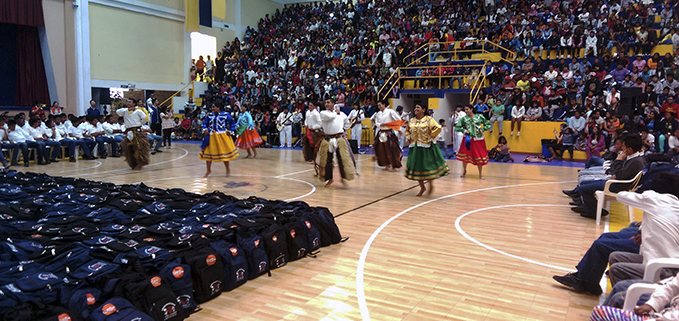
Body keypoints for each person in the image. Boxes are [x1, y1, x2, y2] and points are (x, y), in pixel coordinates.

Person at [568, 135, 646, 219]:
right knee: (583, 183)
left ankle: (592, 211)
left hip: (617, 185)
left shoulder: (635, 162)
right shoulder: (635, 158)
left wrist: (618, 161)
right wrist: (616, 173)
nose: (622, 148)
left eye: (623, 146)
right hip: (617, 182)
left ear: (630, 149)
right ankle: (592, 208)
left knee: (583, 188)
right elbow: (621, 173)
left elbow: (620, 175)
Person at [404, 104, 450, 196]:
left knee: (427, 166)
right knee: (417, 167)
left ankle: (430, 184)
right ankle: (422, 187)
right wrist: (408, 137)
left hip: (427, 147)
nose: (415, 109)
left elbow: (438, 128)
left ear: (423, 109)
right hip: (415, 147)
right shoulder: (412, 120)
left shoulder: (429, 120)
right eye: (415, 107)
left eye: (418, 107)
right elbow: (407, 131)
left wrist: (430, 136)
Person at [317, 98, 355, 187]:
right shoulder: (323, 113)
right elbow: (330, 117)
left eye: (328, 102)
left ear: (333, 104)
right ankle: (329, 179)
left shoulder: (341, 114)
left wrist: (343, 129)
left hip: (339, 138)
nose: (326, 104)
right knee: (326, 160)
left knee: (343, 159)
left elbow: (347, 123)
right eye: (325, 102)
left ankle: (343, 178)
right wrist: (336, 112)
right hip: (327, 139)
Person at [200, 102, 238, 177]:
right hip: (211, 136)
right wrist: (205, 129)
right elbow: (205, 123)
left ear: (218, 107)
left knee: (224, 153)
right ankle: (208, 170)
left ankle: (227, 169)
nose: (212, 108)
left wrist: (231, 131)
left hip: (222, 136)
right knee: (208, 153)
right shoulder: (209, 115)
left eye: (214, 107)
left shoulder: (226, 114)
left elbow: (232, 123)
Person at [455, 105, 491, 179]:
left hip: (478, 139)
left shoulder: (479, 117)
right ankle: (464, 170)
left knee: (479, 155)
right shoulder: (464, 119)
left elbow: (488, 124)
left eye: (467, 109)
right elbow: (457, 127)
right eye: (465, 110)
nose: (466, 111)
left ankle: (480, 173)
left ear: (471, 109)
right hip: (468, 139)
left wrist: (483, 129)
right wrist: (464, 130)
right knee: (465, 155)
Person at [116, 99, 150, 170]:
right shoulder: (125, 111)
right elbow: (117, 112)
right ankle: (133, 163)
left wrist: (138, 124)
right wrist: (127, 109)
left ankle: (140, 163)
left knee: (139, 148)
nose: (128, 103)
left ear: (134, 104)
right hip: (128, 132)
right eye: (127, 102)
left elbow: (145, 119)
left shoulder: (138, 111)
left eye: (130, 102)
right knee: (129, 149)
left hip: (137, 132)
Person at [371, 100, 403, 171]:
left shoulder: (390, 112)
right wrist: (380, 124)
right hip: (381, 133)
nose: (379, 107)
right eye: (378, 105)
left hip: (389, 132)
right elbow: (376, 122)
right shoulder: (378, 113)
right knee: (381, 150)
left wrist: (399, 129)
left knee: (391, 149)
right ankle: (387, 164)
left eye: (380, 105)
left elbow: (398, 119)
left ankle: (393, 164)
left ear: (384, 104)